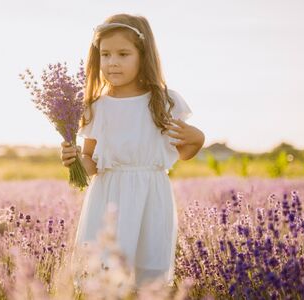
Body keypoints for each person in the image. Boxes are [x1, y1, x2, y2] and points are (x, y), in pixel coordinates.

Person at [61, 13, 205, 290]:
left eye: (123, 54)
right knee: (104, 276)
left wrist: (198, 138)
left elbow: (185, 151)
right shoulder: (97, 107)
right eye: (105, 54)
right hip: (107, 197)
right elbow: (90, 162)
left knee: (148, 274)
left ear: (143, 54)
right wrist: (74, 161)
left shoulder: (163, 101)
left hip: (151, 195)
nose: (112, 62)